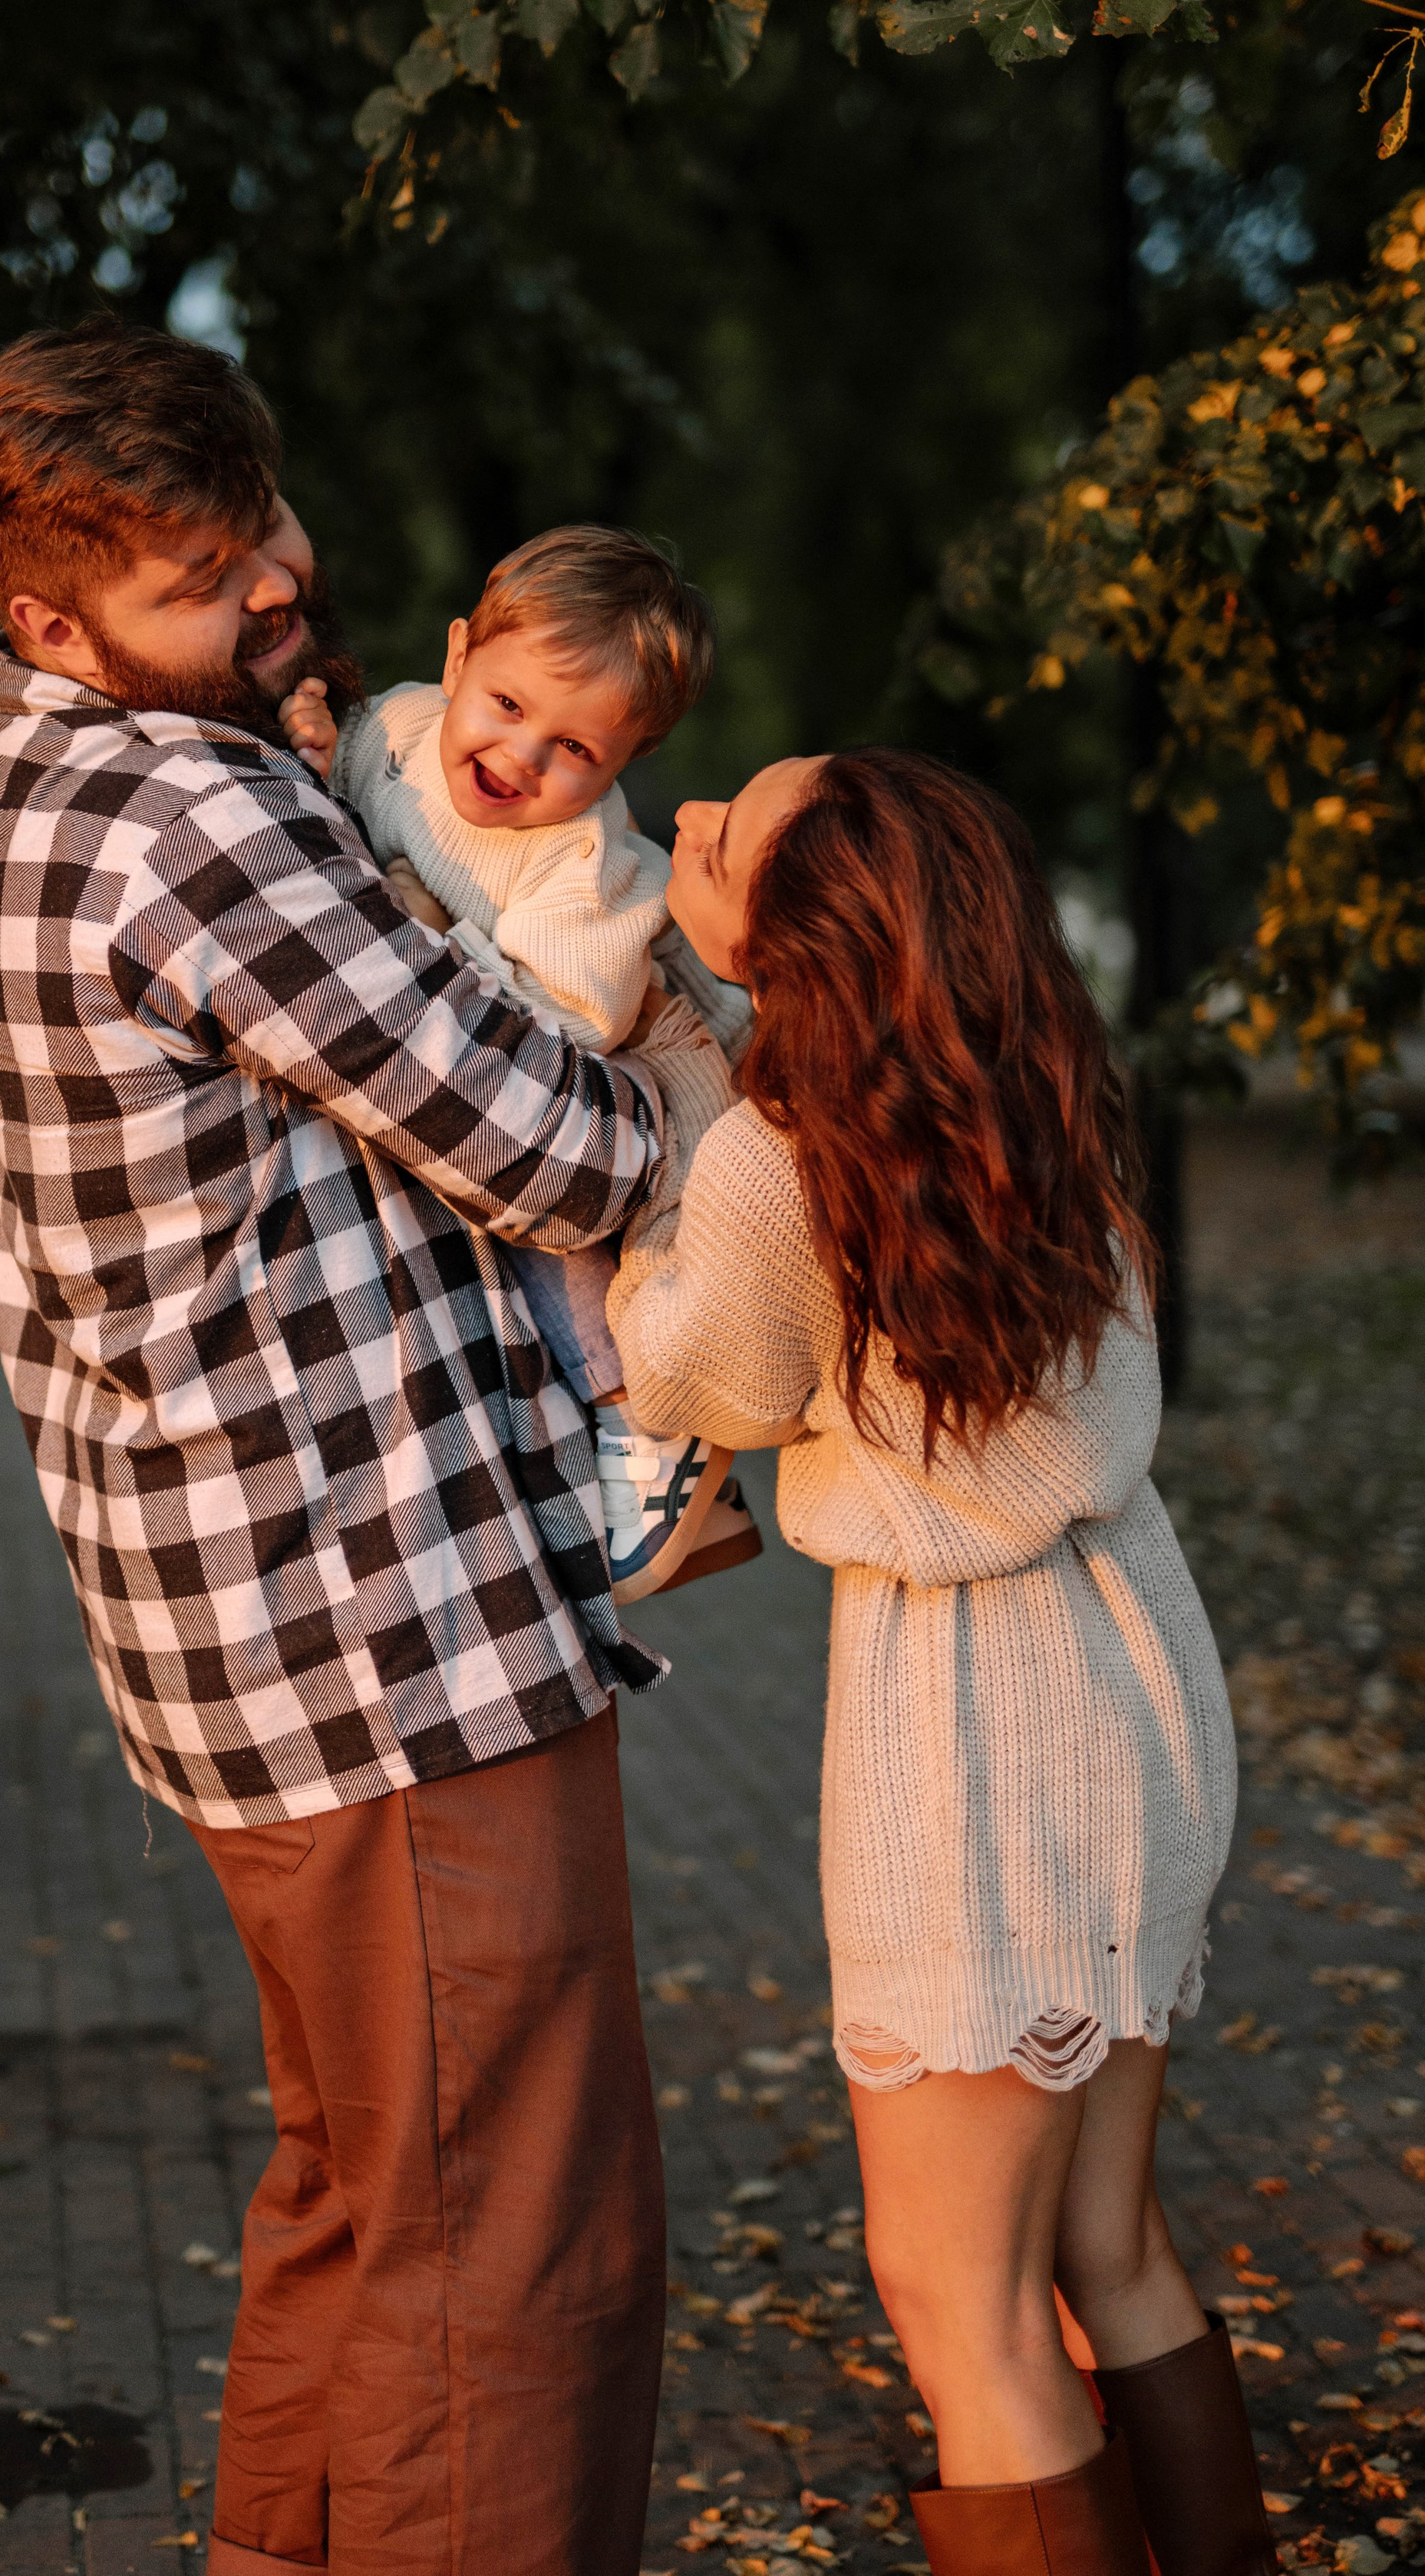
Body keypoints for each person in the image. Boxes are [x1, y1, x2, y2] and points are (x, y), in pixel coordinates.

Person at [0, 314, 732, 2576]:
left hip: (247, 1650)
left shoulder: (27, 765)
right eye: (202, 582)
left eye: (264, 521)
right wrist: (670, 1054)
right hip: (390, 1641)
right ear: (52, 618)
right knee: (509, 2245)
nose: (275, 582)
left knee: (365, 2195)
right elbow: (568, 1149)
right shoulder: (191, 815)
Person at [605, 747, 1265, 2576]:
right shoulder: (1028, 1091)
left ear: (807, 932)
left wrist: (642, 1246)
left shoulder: (778, 1161)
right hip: (1135, 1682)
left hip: (974, 1742)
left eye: (731, 829)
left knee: (952, 2292)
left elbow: (700, 1378)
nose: (688, 825)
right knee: (1103, 2248)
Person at [278, 523, 758, 1601]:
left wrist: (429, 934)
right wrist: (316, 751)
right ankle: (669, 1471)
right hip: (511, 1018)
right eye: (505, 704)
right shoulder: (401, 727)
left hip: (651, 1060)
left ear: (625, 762)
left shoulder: (584, 862)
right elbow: (346, 801)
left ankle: (646, 1417)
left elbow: (566, 1033)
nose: (521, 756)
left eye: (575, 749)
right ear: (457, 659)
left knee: (557, 1225)